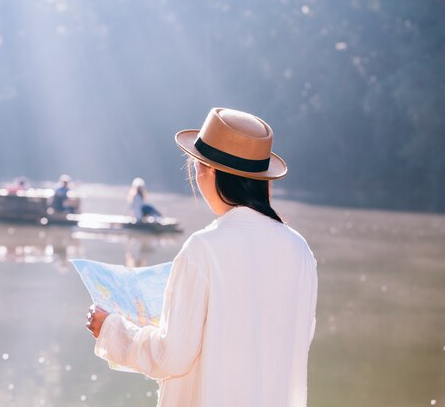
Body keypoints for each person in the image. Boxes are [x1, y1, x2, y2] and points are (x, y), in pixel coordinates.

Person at [85, 108, 318, 407]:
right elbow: (293, 341)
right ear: (262, 180)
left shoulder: (204, 249)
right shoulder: (299, 251)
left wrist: (112, 330)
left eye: (195, 166)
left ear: (207, 171)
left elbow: (172, 356)